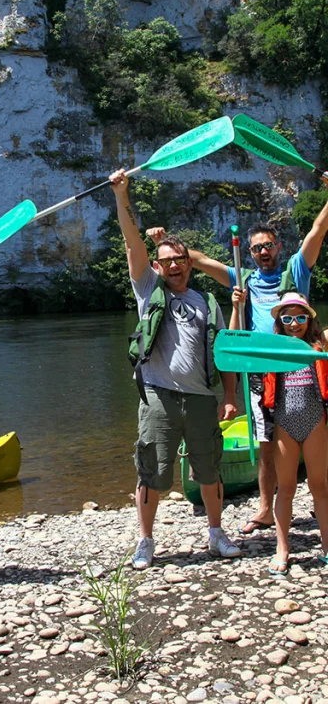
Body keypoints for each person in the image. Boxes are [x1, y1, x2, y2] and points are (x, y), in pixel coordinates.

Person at [147, 201, 328, 536]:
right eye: (257, 248)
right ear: (250, 251)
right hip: (262, 376)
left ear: (278, 246)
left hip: (300, 373)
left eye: (268, 246)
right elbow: (196, 261)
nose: (263, 252)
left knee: (318, 438)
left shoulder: (296, 270)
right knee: (265, 443)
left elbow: (317, 231)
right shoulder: (242, 280)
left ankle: (320, 503)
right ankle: (264, 509)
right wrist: (163, 240)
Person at [109, 170, 241, 570]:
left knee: (209, 468)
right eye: (166, 261)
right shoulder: (149, 289)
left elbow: (224, 354)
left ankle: (216, 533)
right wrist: (122, 195)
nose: (173, 267)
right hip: (158, 396)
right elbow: (133, 242)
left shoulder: (208, 302)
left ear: (188, 263)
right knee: (152, 471)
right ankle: (146, 541)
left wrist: (231, 398)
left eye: (179, 260)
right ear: (157, 266)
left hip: (202, 398)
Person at [230, 290, 328, 574]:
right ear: (280, 322)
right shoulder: (271, 351)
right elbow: (237, 346)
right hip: (285, 425)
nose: (294, 323)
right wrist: (238, 307)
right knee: (285, 488)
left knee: (320, 487)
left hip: (315, 424)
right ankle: (282, 548)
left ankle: (326, 546)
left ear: (309, 320)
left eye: (300, 317)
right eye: (288, 318)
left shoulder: (320, 347)